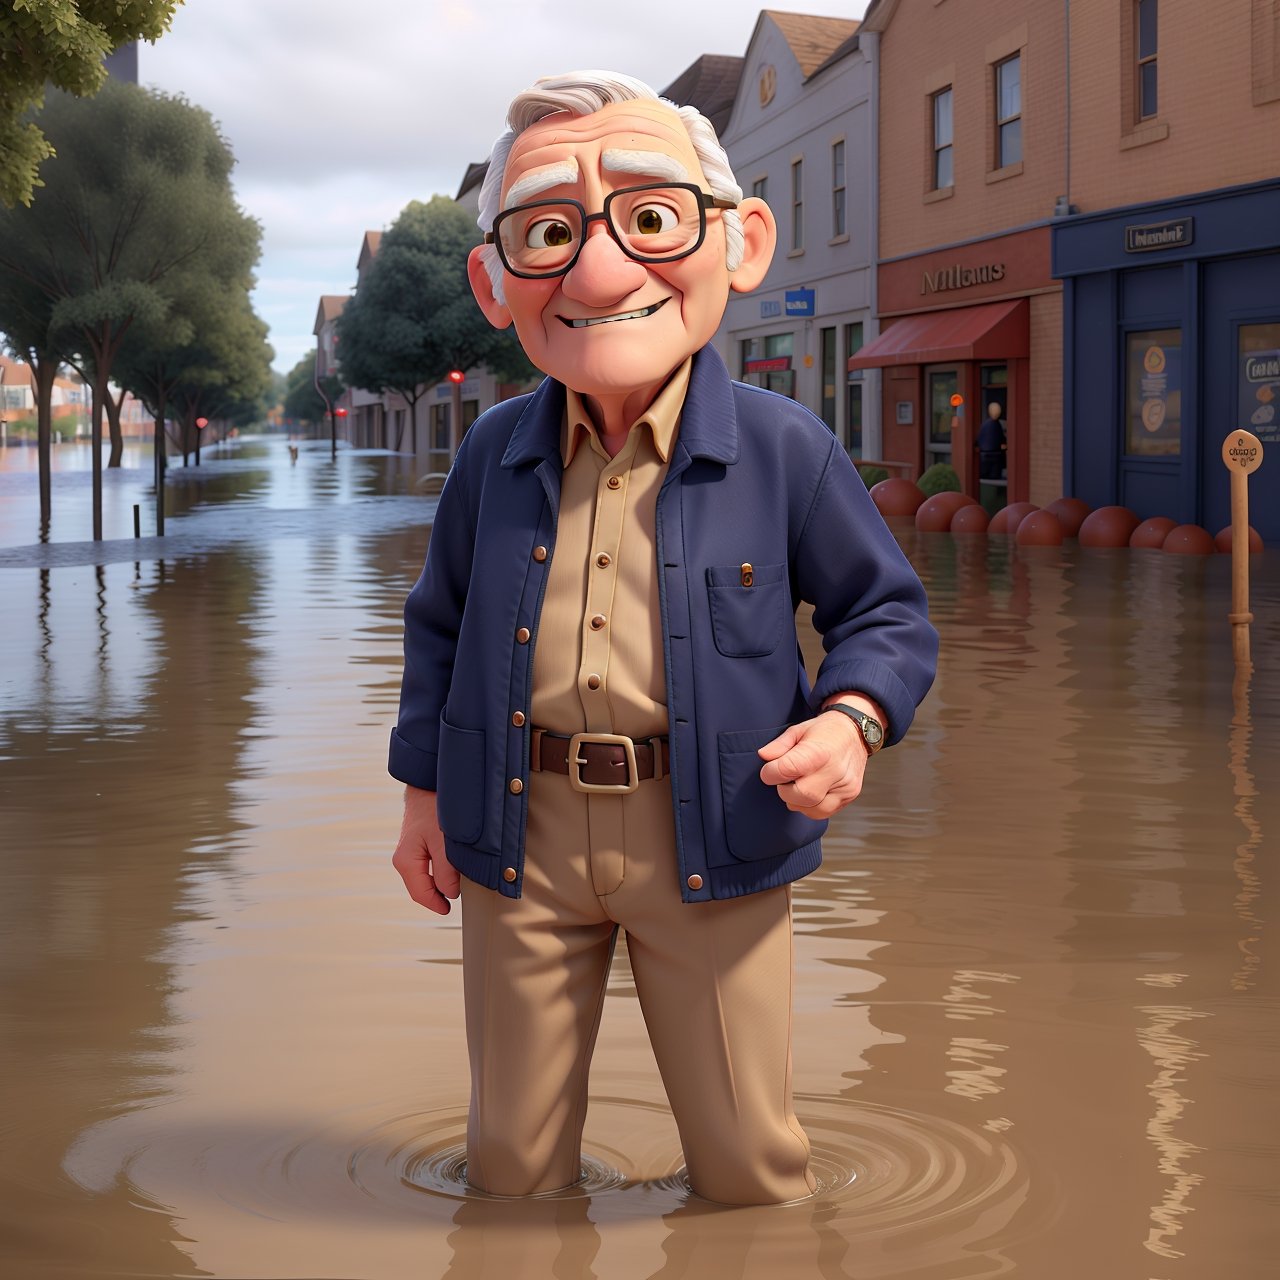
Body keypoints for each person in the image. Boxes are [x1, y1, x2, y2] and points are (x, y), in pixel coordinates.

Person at [389, 71, 938, 1205]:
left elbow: (882, 612)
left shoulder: (788, 450)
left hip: (717, 832)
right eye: (549, 232)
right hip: (515, 824)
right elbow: (436, 625)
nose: (599, 270)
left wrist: (852, 719)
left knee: (749, 1162)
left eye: (646, 219)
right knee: (509, 1167)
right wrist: (420, 799)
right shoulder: (488, 458)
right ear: (494, 282)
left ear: (738, 242)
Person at [978, 400, 1007, 480]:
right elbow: (1001, 439)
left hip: (985, 455)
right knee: (993, 477)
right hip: (994, 455)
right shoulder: (995, 424)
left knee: (986, 477)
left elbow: (980, 439)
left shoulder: (986, 425)